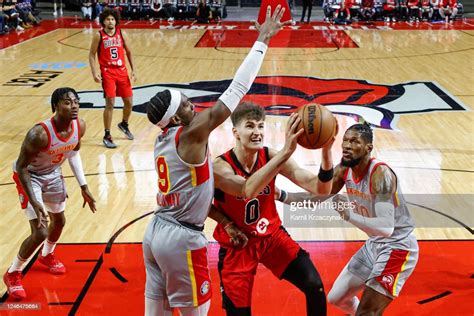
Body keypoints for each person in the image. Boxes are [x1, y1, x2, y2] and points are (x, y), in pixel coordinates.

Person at [141, 5, 290, 316]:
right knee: (200, 311)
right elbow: (237, 89)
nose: (191, 103)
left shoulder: (162, 140)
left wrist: (225, 222)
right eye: (185, 103)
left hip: (156, 232)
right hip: (180, 239)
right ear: (177, 117)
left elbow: (199, 196)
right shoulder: (191, 134)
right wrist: (262, 38)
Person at [209, 102, 336, 316]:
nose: (257, 132)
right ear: (235, 132)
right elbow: (246, 190)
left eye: (260, 126)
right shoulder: (220, 167)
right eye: (250, 126)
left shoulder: (270, 156)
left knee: (314, 285)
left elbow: (320, 188)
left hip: (272, 237)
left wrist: (326, 151)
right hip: (238, 246)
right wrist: (226, 224)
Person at [3, 87, 97, 301]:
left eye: (76, 101)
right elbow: (21, 166)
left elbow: (73, 153)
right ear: (55, 106)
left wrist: (84, 186)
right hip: (30, 176)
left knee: (60, 221)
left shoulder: (79, 126)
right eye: (67, 102)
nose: (73, 106)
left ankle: (46, 255)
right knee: (40, 231)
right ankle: (13, 273)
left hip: (53, 173)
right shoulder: (39, 134)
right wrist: (34, 201)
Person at [325, 123, 418, 315]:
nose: (347, 145)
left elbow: (386, 229)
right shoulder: (344, 169)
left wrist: (348, 214)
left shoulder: (380, 174)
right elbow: (316, 194)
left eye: (354, 141)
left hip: (398, 246)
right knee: (336, 297)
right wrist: (280, 194)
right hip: (374, 244)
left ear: (368, 147)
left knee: (367, 312)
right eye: (345, 140)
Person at [89, 8, 136, 149]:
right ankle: (107, 134)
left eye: (113, 19)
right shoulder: (99, 35)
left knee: (129, 103)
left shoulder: (122, 33)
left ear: (116, 21)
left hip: (122, 71)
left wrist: (134, 70)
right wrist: (94, 72)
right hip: (107, 72)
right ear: (103, 21)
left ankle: (124, 124)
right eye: (108, 19)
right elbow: (91, 55)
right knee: (110, 103)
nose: (111, 21)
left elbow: (129, 52)